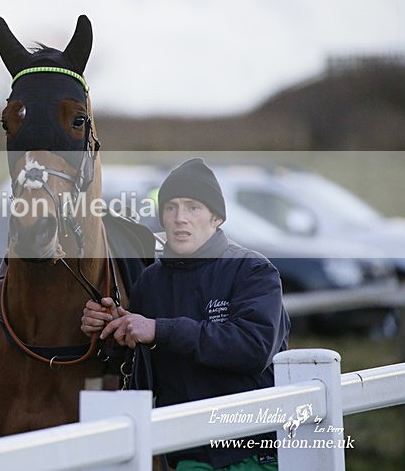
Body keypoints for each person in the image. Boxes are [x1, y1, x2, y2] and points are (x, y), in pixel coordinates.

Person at [82, 158, 290, 471]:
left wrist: (158, 330)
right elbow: (135, 368)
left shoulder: (253, 270)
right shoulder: (151, 281)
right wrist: (111, 330)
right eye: (171, 208)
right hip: (184, 456)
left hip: (255, 453)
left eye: (193, 207)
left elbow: (253, 347)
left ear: (217, 217)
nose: (180, 218)